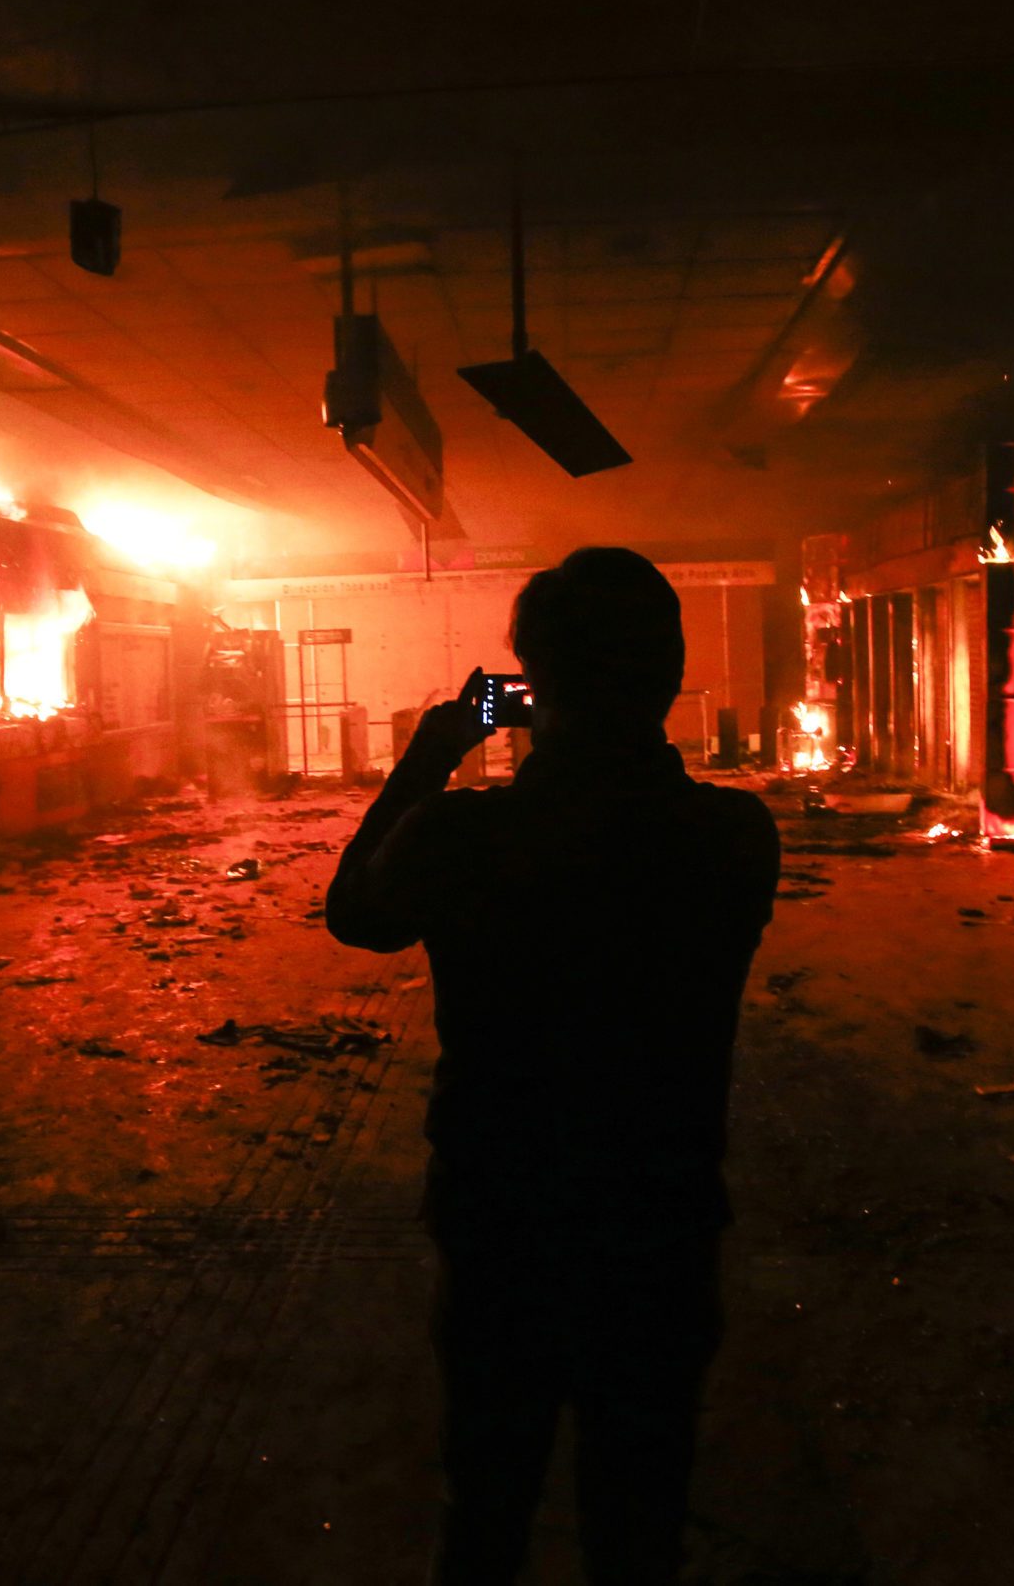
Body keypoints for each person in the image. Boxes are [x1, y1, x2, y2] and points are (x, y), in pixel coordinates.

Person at [327, 546, 780, 1585]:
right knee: (639, 1518)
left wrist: (434, 753)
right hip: (660, 1219)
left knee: (487, 1506)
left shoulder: (458, 838)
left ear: (533, 684)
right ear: (670, 677)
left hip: (502, 1218)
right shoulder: (732, 836)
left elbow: (354, 913)